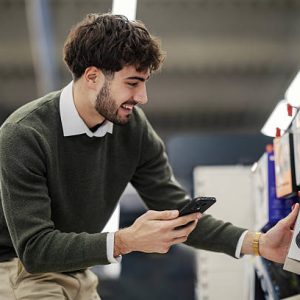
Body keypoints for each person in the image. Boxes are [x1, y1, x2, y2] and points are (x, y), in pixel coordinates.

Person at [0, 12, 298, 300]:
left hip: (78, 272)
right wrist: (126, 240)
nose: (142, 97)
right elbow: (35, 250)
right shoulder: (24, 134)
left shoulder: (132, 129)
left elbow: (177, 212)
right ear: (92, 76)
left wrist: (259, 243)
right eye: (132, 83)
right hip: (19, 270)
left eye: (144, 83)